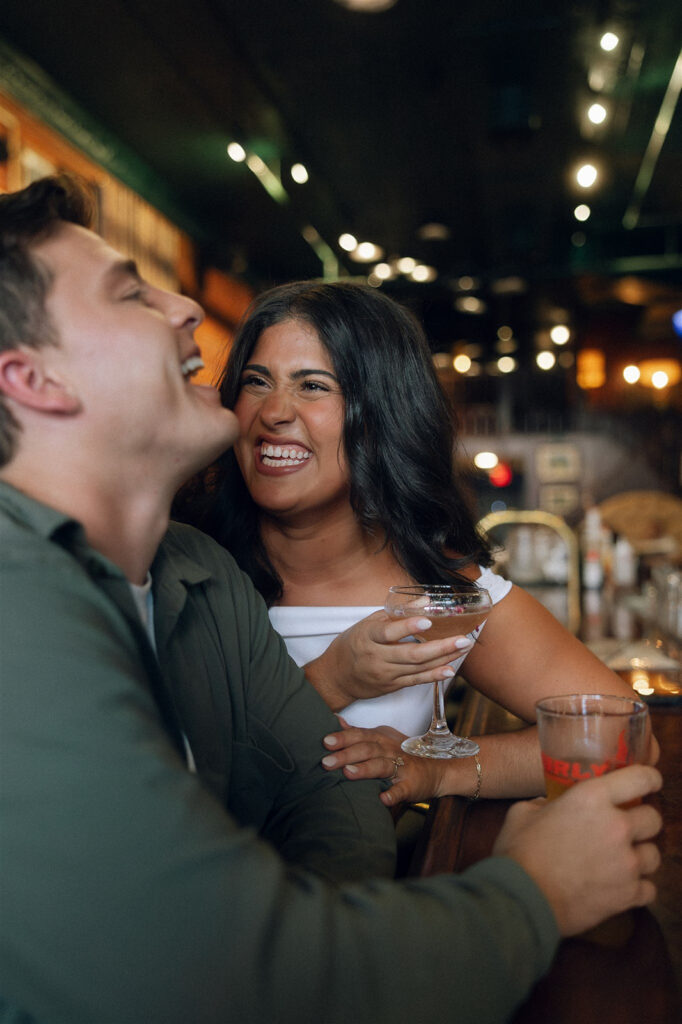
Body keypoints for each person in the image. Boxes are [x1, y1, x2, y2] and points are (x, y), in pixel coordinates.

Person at [0, 175, 663, 1024]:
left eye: (315, 386)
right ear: (32, 378)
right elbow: (216, 949)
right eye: (131, 292)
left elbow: (334, 798)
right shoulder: (35, 606)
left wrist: (428, 785)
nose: (186, 309)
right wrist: (532, 890)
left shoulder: (192, 567)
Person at [184, 279, 654, 808]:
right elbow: (168, 772)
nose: (273, 413)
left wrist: (434, 769)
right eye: (256, 381)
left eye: (313, 386)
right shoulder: (183, 564)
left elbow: (618, 737)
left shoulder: (439, 596)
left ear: (382, 417)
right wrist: (333, 680)